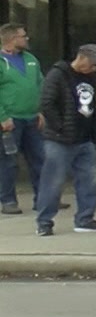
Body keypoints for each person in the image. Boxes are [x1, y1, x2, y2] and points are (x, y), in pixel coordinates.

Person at [35, 44, 96, 236]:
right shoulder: (58, 74)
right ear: (82, 58)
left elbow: (93, 107)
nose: (95, 68)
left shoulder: (90, 78)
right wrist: (59, 127)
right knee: (53, 182)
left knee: (88, 181)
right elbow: (47, 103)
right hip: (60, 139)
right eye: (93, 64)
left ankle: (85, 219)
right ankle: (44, 222)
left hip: (84, 139)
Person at [0, 22, 45, 216]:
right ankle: (8, 200)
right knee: (9, 161)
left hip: (32, 118)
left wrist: (41, 110)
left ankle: (44, 198)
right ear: (11, 39)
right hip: (11, 120)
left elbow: (41, 84)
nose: (26, 39)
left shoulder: (31, 59)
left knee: (40, 158)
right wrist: (3, 116)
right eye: (23, 36)